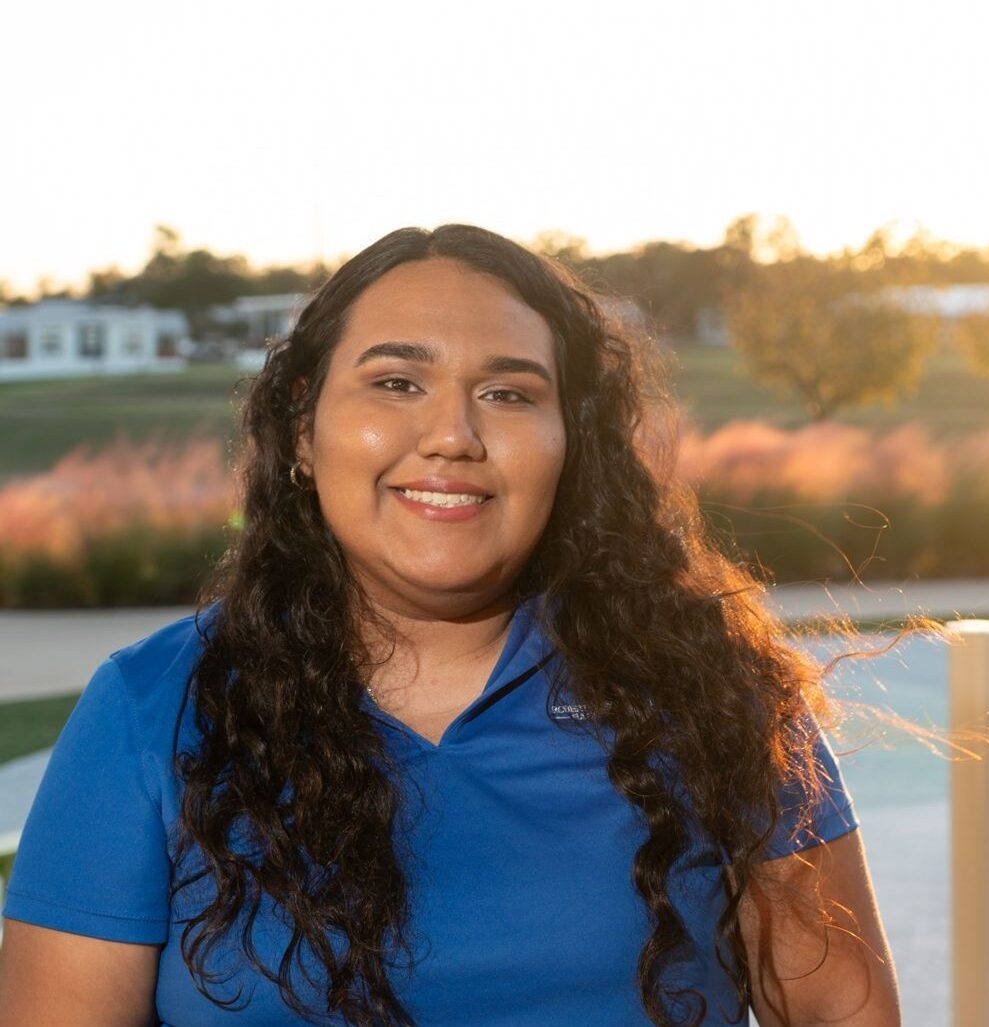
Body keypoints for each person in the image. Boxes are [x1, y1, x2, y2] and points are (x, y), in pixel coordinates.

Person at [0, 224, 901, 1026]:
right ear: (304, 430)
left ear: (571, 442)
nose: (452, 435)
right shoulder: (148, 710)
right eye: (396, 381)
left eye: (509, 394)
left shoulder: (715, 694)